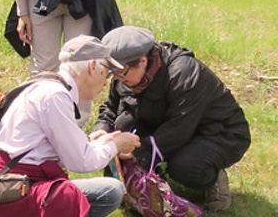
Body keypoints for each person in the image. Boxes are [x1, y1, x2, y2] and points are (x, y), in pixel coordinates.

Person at [96, 26, 251, 212]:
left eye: (121, 74)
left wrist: (137, 152)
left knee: (184, 167)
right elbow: (111, 106)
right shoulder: (125, 72)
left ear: (143, 61)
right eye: (113, 74)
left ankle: (213, 177)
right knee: (121, 127)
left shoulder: (184, 73)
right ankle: (140, 181)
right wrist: (102, 129)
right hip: (166, 122)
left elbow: (178, 128)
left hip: (219, 132)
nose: (118, 80)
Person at [0, 36, 141, 217]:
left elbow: (54, 147)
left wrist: (99, 143)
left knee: (110, 191)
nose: (107, 82)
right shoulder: (56, 96)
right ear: (92, 66)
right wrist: (116, 145)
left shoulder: (44, 84)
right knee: (102, 191)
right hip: (16, 193)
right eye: (106, 72)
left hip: (8, 186)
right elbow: (81, 162)